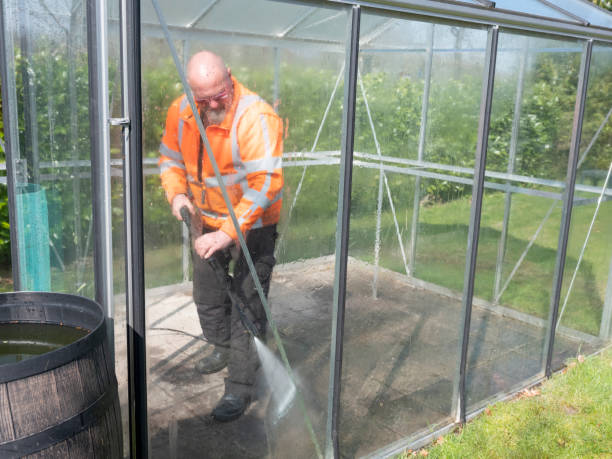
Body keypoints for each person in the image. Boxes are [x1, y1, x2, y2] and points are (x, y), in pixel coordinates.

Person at [158, 50, 283, 422]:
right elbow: (169, 159)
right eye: (204, 99)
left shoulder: (256, 116)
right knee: (208, 298)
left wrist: (230, 232)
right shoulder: (181, 111)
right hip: (206, 219)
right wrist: (177, 194)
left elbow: (266, 186)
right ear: (190, 91)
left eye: (220, 95)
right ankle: (223, 347)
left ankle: (240, 388)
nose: (214, 104)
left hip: (255, 223)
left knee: (247, 305)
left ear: (230, 77)